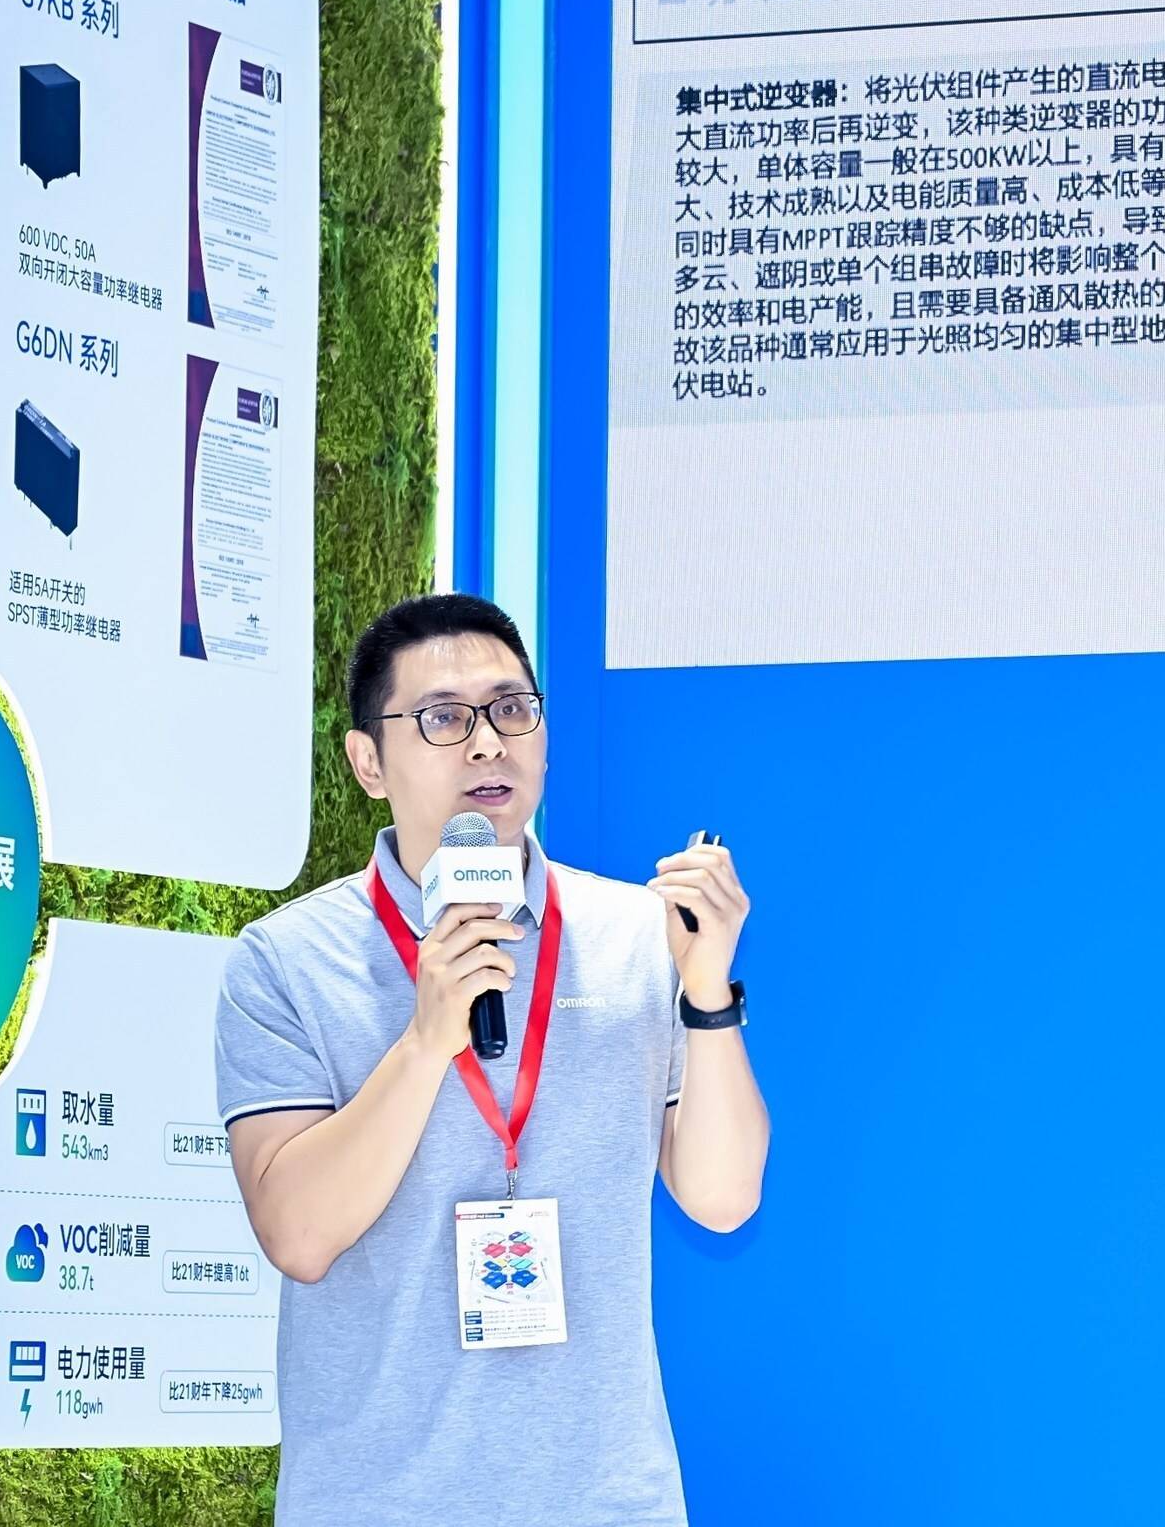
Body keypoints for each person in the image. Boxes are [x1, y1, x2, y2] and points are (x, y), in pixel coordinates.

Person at [213, 592, 767, 1525]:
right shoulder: (286, 961)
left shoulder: (640, 934)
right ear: (368, 762)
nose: (486, 743)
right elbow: (299, 1235)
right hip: (378, 1504)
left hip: (608, 1502)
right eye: (443, 718)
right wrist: (427, 1040)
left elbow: (722, 1197)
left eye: (511, 710)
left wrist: (707, 989)